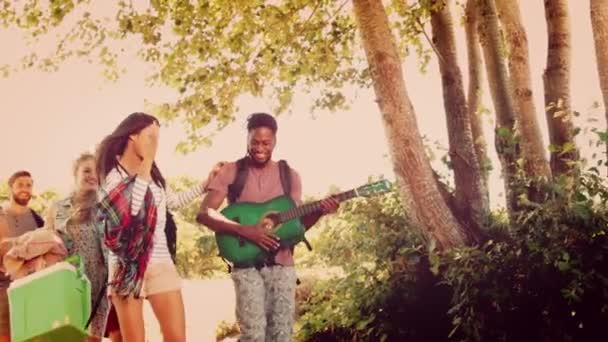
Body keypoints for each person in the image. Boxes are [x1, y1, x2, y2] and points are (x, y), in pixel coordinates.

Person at [196, 112, 339, 341]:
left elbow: (297, 227)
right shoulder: (232, 171)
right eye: (254, 142)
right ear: (247, 139)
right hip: (246, 264)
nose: (260, 148)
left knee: (282, 335)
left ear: (275, 141)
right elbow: (205, 213)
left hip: (282, 264)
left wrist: (321, 211)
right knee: (253, 334)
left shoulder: (290, 176)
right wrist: (245, 231)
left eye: (266, 143)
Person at [96, 112, 222, 342]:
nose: (156, 145)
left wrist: (206, 183)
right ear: (132, 136)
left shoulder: (153, 174)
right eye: (151, 137)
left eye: (157, 139)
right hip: (126, 268)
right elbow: (130, 215)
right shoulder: (112, 176)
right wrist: (146, 166)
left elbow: (171, 203)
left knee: (177, 337)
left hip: (160, 261)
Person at [45, 153, 109, 341]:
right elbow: (46, 241)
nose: (92, 175)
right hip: (68, 285)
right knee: (67, 337)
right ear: (76, 174)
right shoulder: (58, 207)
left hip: (98, 289)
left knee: (92, 339)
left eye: (97, 171)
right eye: (86, 170)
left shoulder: (106, 207)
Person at [0, 171, 44, 341]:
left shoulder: (38, 220)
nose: (25, 189)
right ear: (11, 187)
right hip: (2, 286)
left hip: (28, 287)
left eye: (29, 185)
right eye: (20, 184)